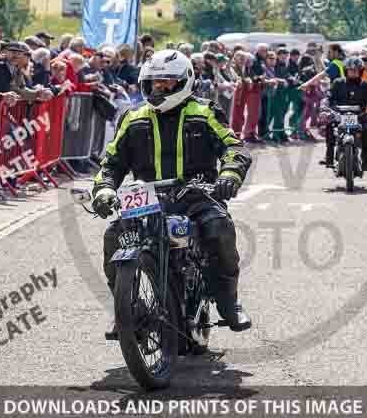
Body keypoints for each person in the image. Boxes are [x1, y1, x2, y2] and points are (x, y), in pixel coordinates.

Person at [90, 49, 252, 338]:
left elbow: (234, 147)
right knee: (114, 235)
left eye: (165, 83)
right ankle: (126, 307)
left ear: (184, 82)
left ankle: (229, 300)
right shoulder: (132, 117)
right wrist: (103, 189)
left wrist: (229, 174)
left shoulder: (204, 111)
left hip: (196, 192)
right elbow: (111, 162)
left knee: (219, 227)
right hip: (146, 196)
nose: (158, 88)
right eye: (153, 83)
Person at [321, 57, 367, 170]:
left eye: (355, 70)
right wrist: (324, 108)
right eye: (350, 70)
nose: (353, 72)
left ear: (360, 71)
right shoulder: (338, 83)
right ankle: (329, 158)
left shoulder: (366, 85)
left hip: (360, 116)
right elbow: (329, 97)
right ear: (346, 70)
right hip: (339, 115)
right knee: (330, 128)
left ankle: (366, 161)